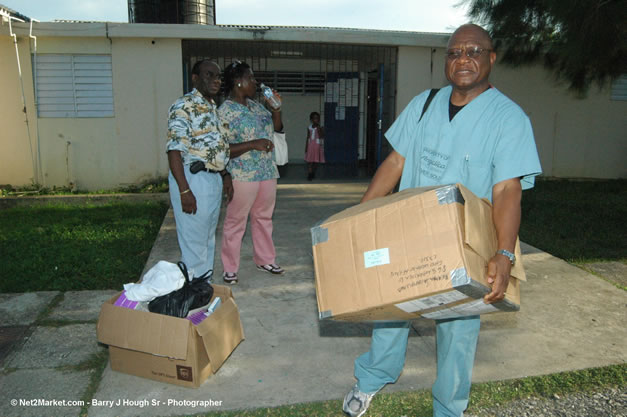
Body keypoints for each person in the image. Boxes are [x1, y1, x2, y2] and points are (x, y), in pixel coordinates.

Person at [342, 24, 542, 417]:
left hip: (463, 244)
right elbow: (395, 162)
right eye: (454, 53)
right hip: (409, 232)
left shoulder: (509, 119)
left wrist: (504, 253)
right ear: (446, 61)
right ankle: (373, 377)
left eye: (474, 51)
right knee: (389, 310)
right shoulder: (424, 103)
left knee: (459, 330)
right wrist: (358, 218)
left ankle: (449, 409)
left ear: (491, 58)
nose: (463, 59)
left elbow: (507, 191)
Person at [218, 60, 285, 284]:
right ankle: (230, 267)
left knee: (264, 218)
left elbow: (276, 129)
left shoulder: (257, 107)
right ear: (238, 82)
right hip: (242, 175)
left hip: (266, 171)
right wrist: (252, 144)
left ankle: (265, 259)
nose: (255, 83)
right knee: (236, 221)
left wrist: (276, 110)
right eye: (251, 78)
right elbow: (220, 149)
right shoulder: (224, 112)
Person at [166, 59, 233, 281]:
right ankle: (192, 294)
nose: (216, 80)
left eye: (218, 76)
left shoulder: (213, 108)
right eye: (209, 75)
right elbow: (174, 150)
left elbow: (216, 148)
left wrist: (224, 175)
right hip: (192, 179)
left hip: (211, 180)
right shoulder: (184, 106)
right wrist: (184, 191)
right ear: (195, 78)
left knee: (206, 240)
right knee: (194, 243)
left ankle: (202, 289)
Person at [304, 111, 325, 180]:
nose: (316, 120)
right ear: (311, 120)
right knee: (310, 161)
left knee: (316, 161)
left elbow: (321, 136)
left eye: (317, 118)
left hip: (317, 146)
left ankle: (313, 172)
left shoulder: (321, 127)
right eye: (314, 118)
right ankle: (310, 173)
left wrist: (319, 129)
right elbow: (308, 137)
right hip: (310, 145)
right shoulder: (309, 127)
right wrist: (306, 146)